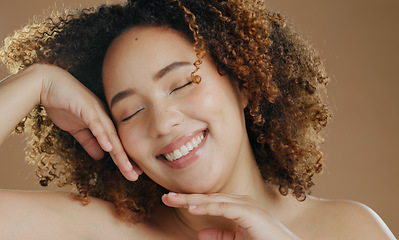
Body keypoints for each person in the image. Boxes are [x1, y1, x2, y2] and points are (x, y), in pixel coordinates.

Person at [0, 0, 395, 239]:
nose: (163, 121)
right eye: (130, 112)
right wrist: (38, 83)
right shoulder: (100, 230)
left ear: (243, 84)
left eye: (181, 84)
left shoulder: (349, 229)